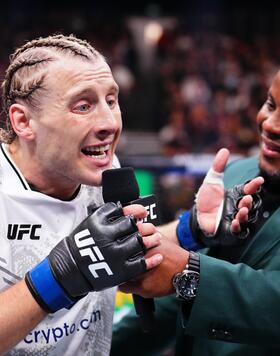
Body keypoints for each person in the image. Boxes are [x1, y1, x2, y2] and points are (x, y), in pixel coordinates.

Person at [0, 33, 261, 356]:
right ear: (23, 121)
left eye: (111, 100)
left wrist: (190, 228)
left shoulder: (101, 169)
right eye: (83, 105)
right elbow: (81, 261)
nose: (110, 122)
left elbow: (117, 244)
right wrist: (57, 278)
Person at [110, 70, 280, 355]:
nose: (271, 124)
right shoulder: (236, 173)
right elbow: (175, 300)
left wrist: (188, 273)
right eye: (271, 104)